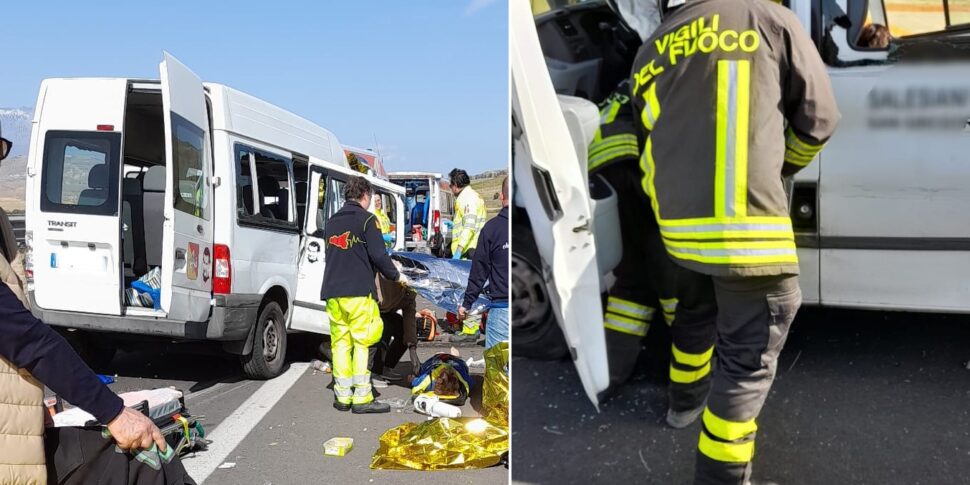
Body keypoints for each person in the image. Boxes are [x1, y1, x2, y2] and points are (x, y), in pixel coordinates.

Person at [629, 0, 840, 482]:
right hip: (750, 236)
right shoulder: (766, 18)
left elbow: (654, 147)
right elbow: (821, 118)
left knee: (694, 319)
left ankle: (681, 406)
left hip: (679, 236)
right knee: (744, 370)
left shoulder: (650, 50)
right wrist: (782, 166)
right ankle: (720, 474)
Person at [0, 122, 190, 483]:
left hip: (16, 426)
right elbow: (26, 338)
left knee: (143, 461)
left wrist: (35, 402)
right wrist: (115, 412)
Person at [321, 175, 408, 414]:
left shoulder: (331, 222)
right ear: (365, 196)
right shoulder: (368, 220)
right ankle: (362, 398)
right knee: (363, 343)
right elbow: (379, 256)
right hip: (358, 292)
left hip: (333, 293)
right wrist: (397, 276)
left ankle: (342, 396)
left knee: (340, 344)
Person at [457, 177, 509, 349]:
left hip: (503, 310)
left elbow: (479, 272)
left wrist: (467, 304)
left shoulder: (492, 229)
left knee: (498, 372)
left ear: (502, 196)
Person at [371, 273, 421, 384]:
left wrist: (412, 347)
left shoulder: (410, 292)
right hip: (372, 309)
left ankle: (387, 367)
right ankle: (374, 371)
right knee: (383, 329)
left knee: (404, 330)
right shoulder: (387, 277)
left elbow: (409, 318)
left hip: (387, 312)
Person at [447, 168, 487, 260]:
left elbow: (469, 227)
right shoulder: (473, 196)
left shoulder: (467, 200)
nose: (451, 188)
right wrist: (455, 226)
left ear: (456, 185)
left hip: (467, 252)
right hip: (472, 249)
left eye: (450, 185)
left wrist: (458, 251)